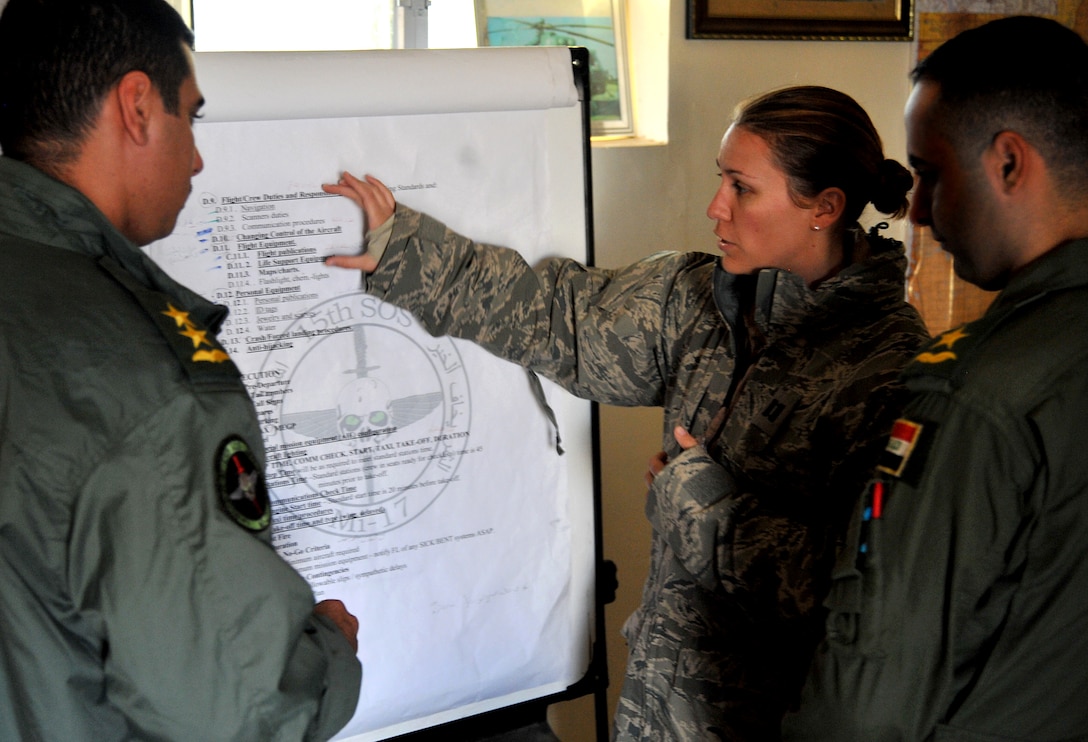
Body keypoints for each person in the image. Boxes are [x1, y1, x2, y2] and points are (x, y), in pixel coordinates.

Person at [322, 85, 929, 739]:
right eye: (719, 181)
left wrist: (701, 502)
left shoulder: (891, 371)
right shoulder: (702, 299)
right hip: (655, 710)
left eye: (742, 188)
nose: (714, 207)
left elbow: (866, 590)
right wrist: (405, 252)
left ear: (825, 207)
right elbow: (556, 317)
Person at [0, 1, 361, 740]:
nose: (196, 158)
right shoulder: (149, 381)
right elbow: (244, 710)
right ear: (137, 107)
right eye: (190, 117)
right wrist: (329, 650)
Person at [781, 16, 1088, 741]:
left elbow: (868, 704)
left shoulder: (973, 395)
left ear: (1009, 163)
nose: (915, 210)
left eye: (930, 173)